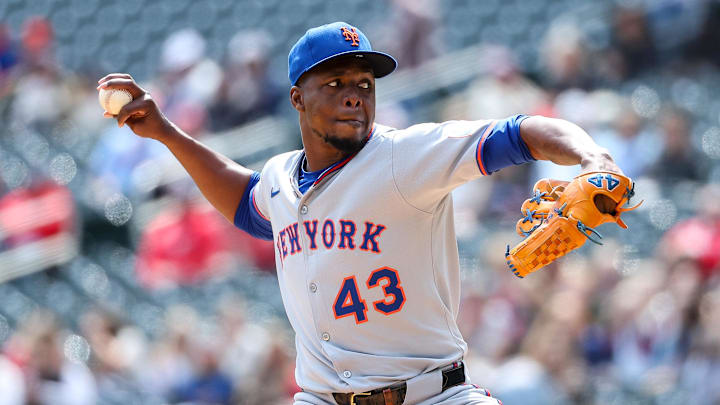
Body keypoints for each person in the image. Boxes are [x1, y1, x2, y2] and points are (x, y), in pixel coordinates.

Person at [98, 21, 622, 405]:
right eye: (335, 84)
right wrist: (165, 132)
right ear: (296, 99)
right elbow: (242, 198)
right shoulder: (281, 177)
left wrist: (592, 157)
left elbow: (519, 131)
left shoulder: (405, 155)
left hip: (431, 397)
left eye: (364, 84)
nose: (354, 96)